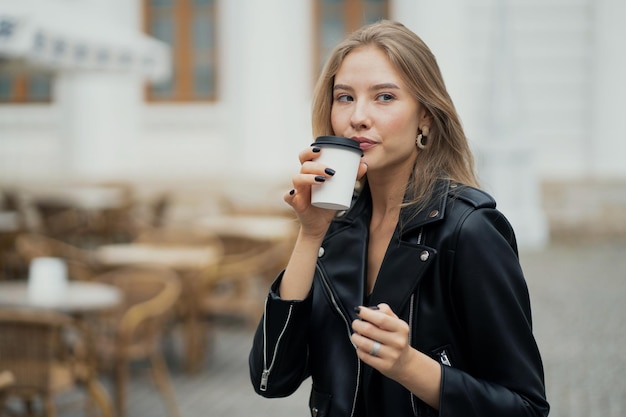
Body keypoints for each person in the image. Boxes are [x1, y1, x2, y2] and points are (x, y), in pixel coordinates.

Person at [249, 20, 549, 417]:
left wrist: (410, 366)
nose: (358, 117)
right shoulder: (336, 230)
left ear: (425, 116)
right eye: (344, 98)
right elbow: (271, 378)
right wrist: (310, 234)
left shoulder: (468, 230)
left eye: (384, 97)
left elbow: (525, 407)